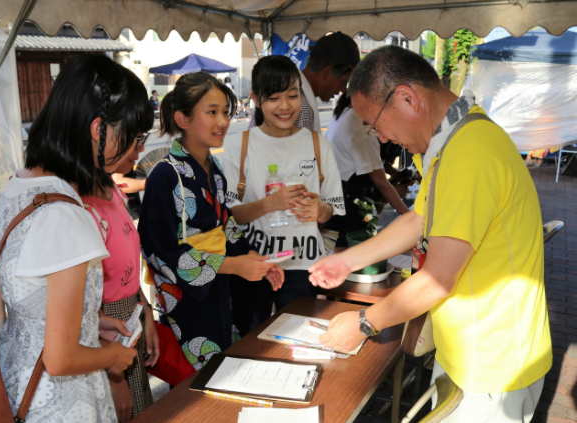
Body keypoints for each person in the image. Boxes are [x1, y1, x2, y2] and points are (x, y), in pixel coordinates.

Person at [309, 45, 551, 422]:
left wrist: (362, 324)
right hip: (473, 351)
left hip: (492, 361)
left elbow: (436, 281)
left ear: (407, 98)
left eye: (375, 124)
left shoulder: (470, 153)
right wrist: (347, 260)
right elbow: (420, 220)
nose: (382, 138)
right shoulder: (454, 142)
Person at [0, 54, 148, 422]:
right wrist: (114, 357)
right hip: (61, 406)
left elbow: (31, 298)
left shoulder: (21, 185)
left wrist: (89, 325)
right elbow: (61, 359)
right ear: (99, 130)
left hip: (18, 386)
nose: (135, 151)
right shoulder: (67, 215)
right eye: (133, 136)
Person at [138, 72, 284, 370]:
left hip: (221, 288)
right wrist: (232, 265)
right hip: (189, 301)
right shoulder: (165, 175)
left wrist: (252, 259)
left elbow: (226, 226)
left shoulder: (214, 169)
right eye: (212, 112)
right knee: (200, 383)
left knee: (232, 367)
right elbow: (159, 249)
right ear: (183, 118)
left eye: (226, 113)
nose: (223, 122)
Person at [223, 55, 345, 336]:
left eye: (292, 96)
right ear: (255, 98)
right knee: (250, 345)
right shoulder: (237, 145)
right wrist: (269, 204)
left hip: (304, 265)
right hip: (253, 264)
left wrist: (320, 211)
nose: (285, 106)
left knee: (300, 341)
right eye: (274, 97)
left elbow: (333, 208)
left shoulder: (319, 145)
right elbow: (229, 216)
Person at [81, 134, 158, 420]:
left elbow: (125, 269)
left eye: (142, 137)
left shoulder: (111, 190)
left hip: (128, 320)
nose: (141, 148)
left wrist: (145, 313)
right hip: (106, 332)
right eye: (134, 138)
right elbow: (85, 302)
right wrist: (115, 379)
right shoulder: (82, 206)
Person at [325, 93, 410, 253]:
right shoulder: (361, 130)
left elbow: (368, 162)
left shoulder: (344, 113)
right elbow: (381, 183)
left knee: (340, 250)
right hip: (348, 200)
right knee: (349, 252)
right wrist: (409, 216)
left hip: (335, 193)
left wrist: (394, 172)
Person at [247, 32, 360, 132]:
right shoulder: (301, 107)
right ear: (326, 73)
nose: (344, 89)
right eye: (344, 82)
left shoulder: (291, 93)